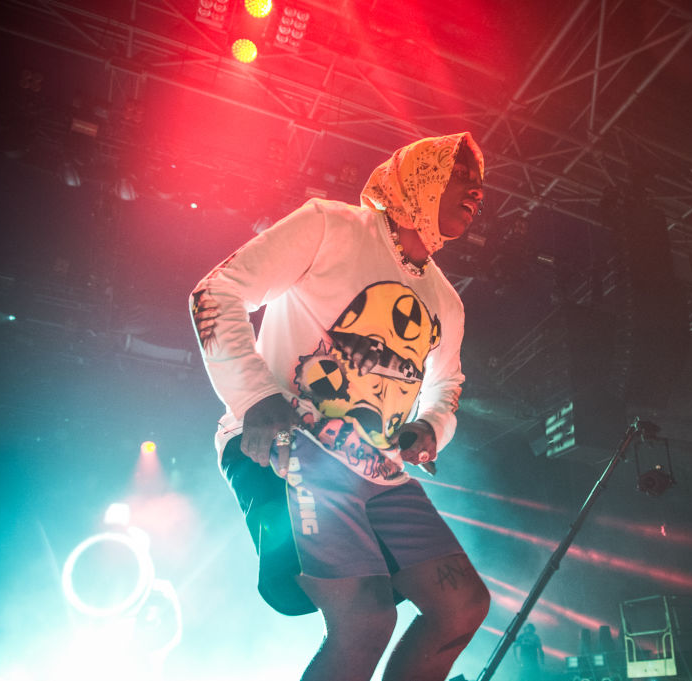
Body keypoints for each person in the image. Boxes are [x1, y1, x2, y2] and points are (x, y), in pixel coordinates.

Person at [190, 133, 490, 681]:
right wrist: (257, 399)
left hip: (375, 467)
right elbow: (215, 293)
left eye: (481, 183)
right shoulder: (330, 225)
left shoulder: (446, 300)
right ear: (420, 174)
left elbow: (447, 385)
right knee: (366, 620)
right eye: (461, 173)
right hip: (291, 448)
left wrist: (430, 424)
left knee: (463, 606)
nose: (478, 190)